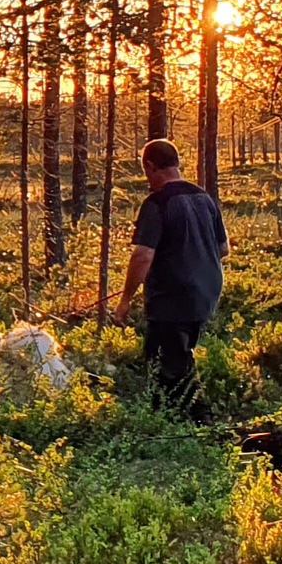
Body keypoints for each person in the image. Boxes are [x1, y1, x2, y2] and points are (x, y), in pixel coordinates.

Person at [115, 138, 227, 414]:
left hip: (173, 298)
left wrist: (125, 299)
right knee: (171, 355)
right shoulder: (203, 197)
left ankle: (199, 423)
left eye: (146, 172)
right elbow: (223, 249)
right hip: (207, 293)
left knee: (167, 363)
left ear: (150, 167)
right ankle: (166, 416)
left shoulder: (157, 203)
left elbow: (142, 256)